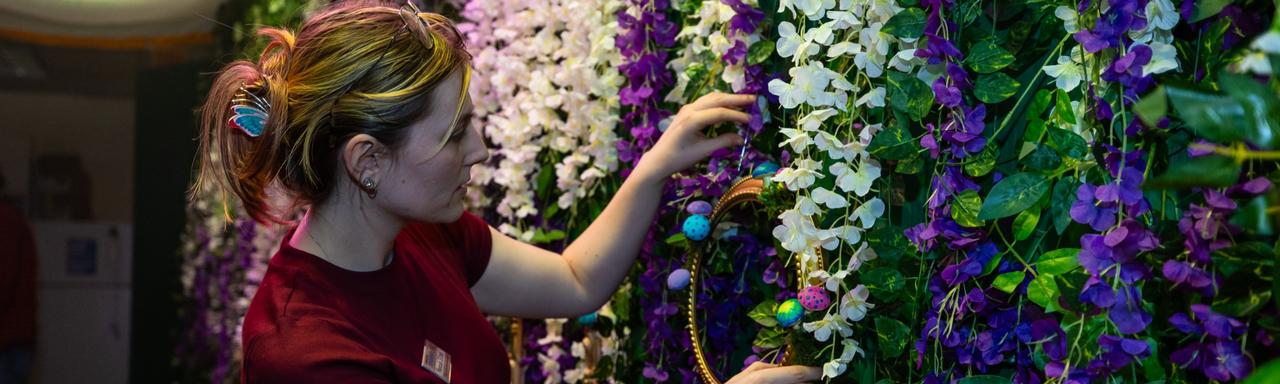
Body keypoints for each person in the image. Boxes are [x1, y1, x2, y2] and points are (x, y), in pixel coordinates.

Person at [193, 1, 819, 382]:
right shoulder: (304, 352)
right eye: (455, 134)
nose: (480, 153)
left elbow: (575, 281)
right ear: (367, 161)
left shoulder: (423, 236)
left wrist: (654, 167)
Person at [0, 170, 36, 384]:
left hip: (6, 342)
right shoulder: (16, 221)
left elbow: (3, 280)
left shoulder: (5, 222)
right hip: (18, 338)